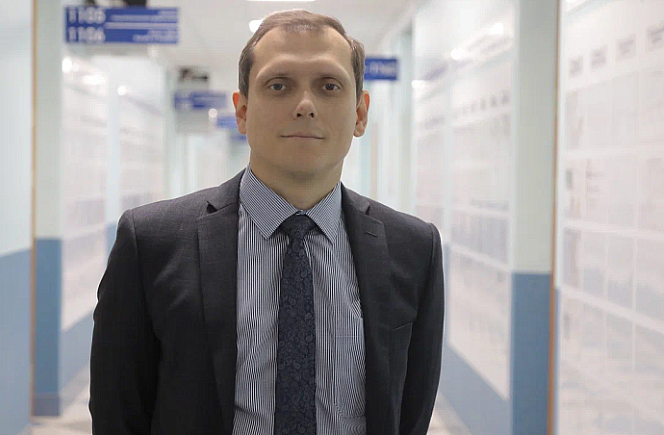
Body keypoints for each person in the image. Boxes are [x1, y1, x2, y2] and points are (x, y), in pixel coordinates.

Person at [90, 9, 444, 435]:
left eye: (329, 86)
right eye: (279, 85)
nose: (305, 106)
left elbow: (411, 413)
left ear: (359, 114)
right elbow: (119, 413)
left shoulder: (413, 249)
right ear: (242, 111)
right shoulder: (151, 243)